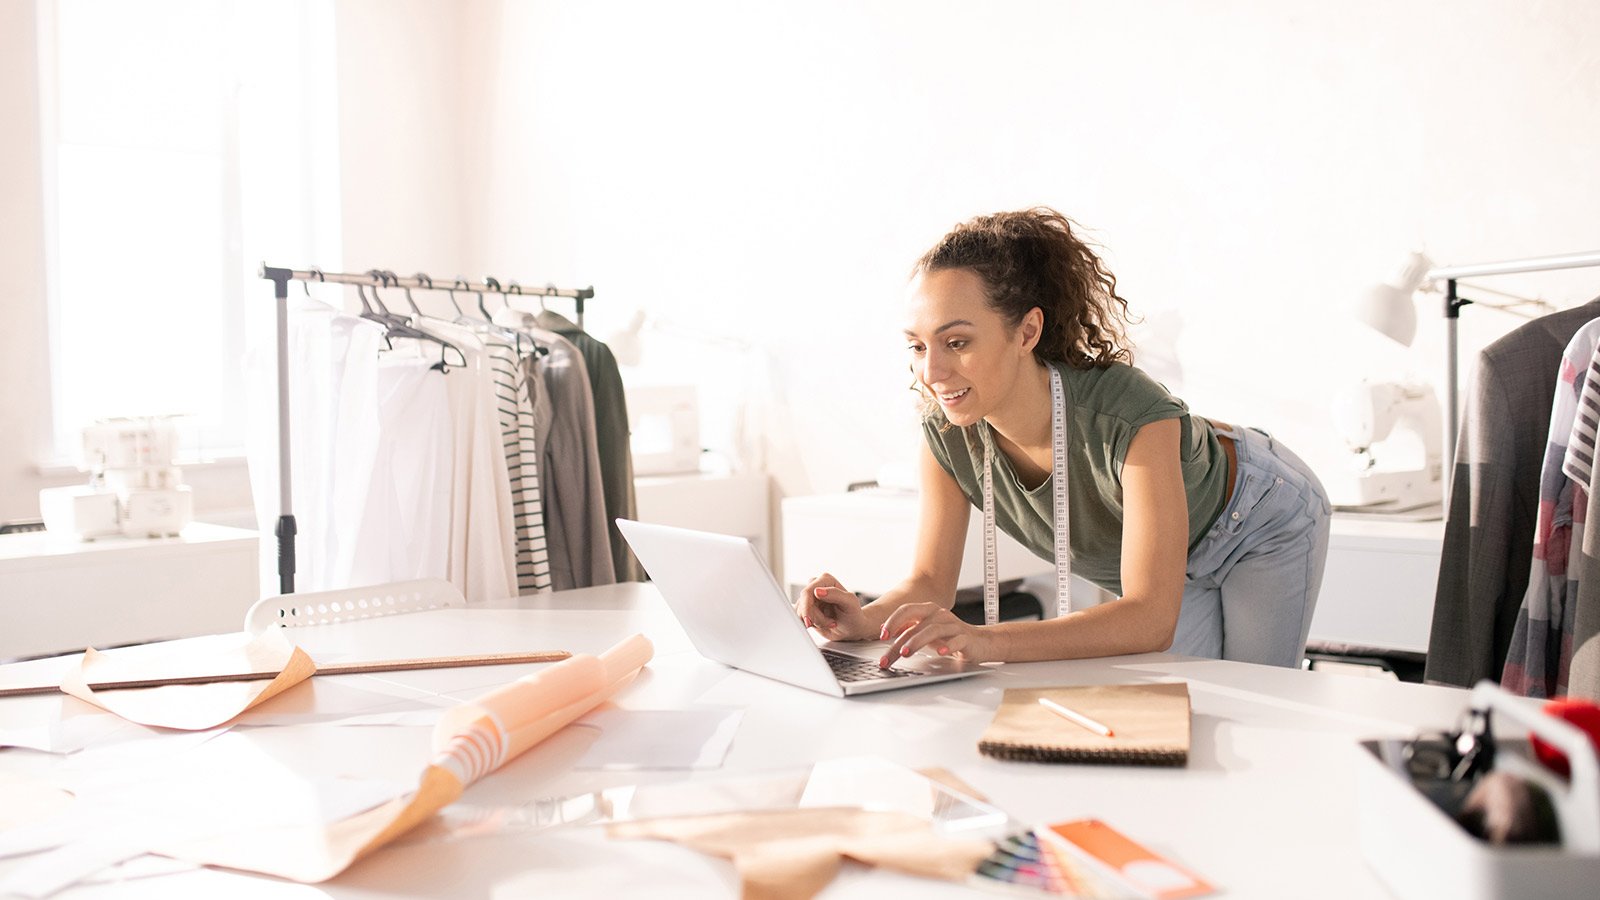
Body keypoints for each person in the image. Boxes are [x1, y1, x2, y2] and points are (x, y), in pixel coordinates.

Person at [795, 207, 1330, 669]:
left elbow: (1149, 617)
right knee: (1185, 710)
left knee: (1253, 706)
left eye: (956, 341)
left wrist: (982, 641)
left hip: (1257, 518)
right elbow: (931, 580)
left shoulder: (1131, 416)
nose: (931, 372)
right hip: (1168, 565)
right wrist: (863, 621)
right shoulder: (947, 436)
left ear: (1026, 332)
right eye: (916, 346)